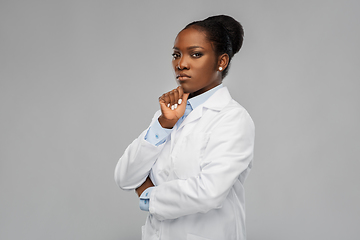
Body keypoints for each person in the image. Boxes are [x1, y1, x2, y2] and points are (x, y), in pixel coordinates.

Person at [115, 15, 255, 240]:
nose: (181, 64)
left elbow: (209, 192)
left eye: (196, 54)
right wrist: (164, 124)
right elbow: (125, 176)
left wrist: (149, 196)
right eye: (176, 54)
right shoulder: (169, 116)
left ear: (222, 62)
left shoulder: (232, 118)